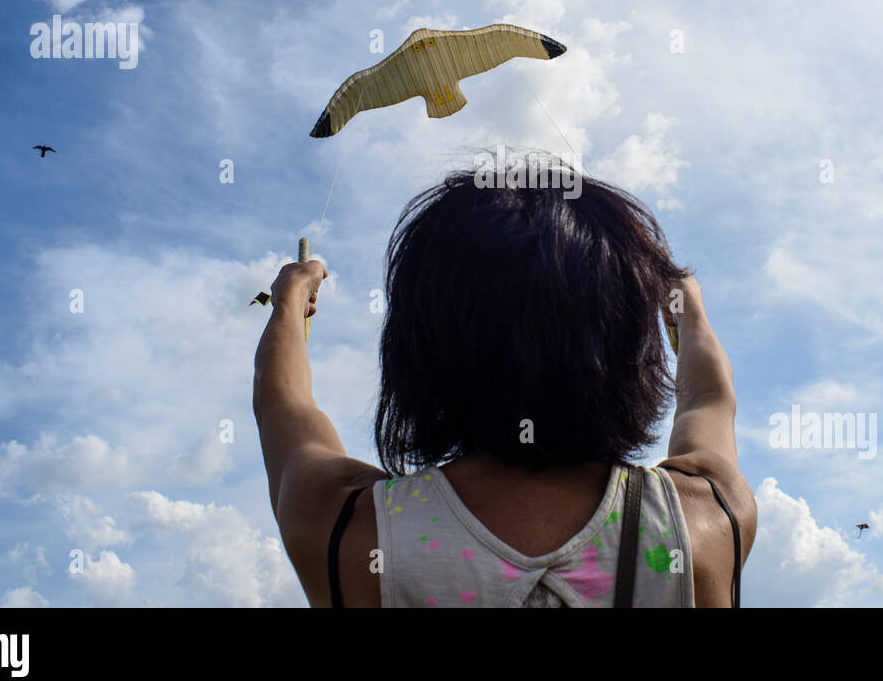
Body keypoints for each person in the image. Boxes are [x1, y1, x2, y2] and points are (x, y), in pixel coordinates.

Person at [253, 154, 756, 607]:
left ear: (419, 349)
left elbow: (285, 404)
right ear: (629, 345)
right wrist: (688, 308)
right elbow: (708, 400)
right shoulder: (706, 520)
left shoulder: (347, 528)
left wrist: (290, 302)